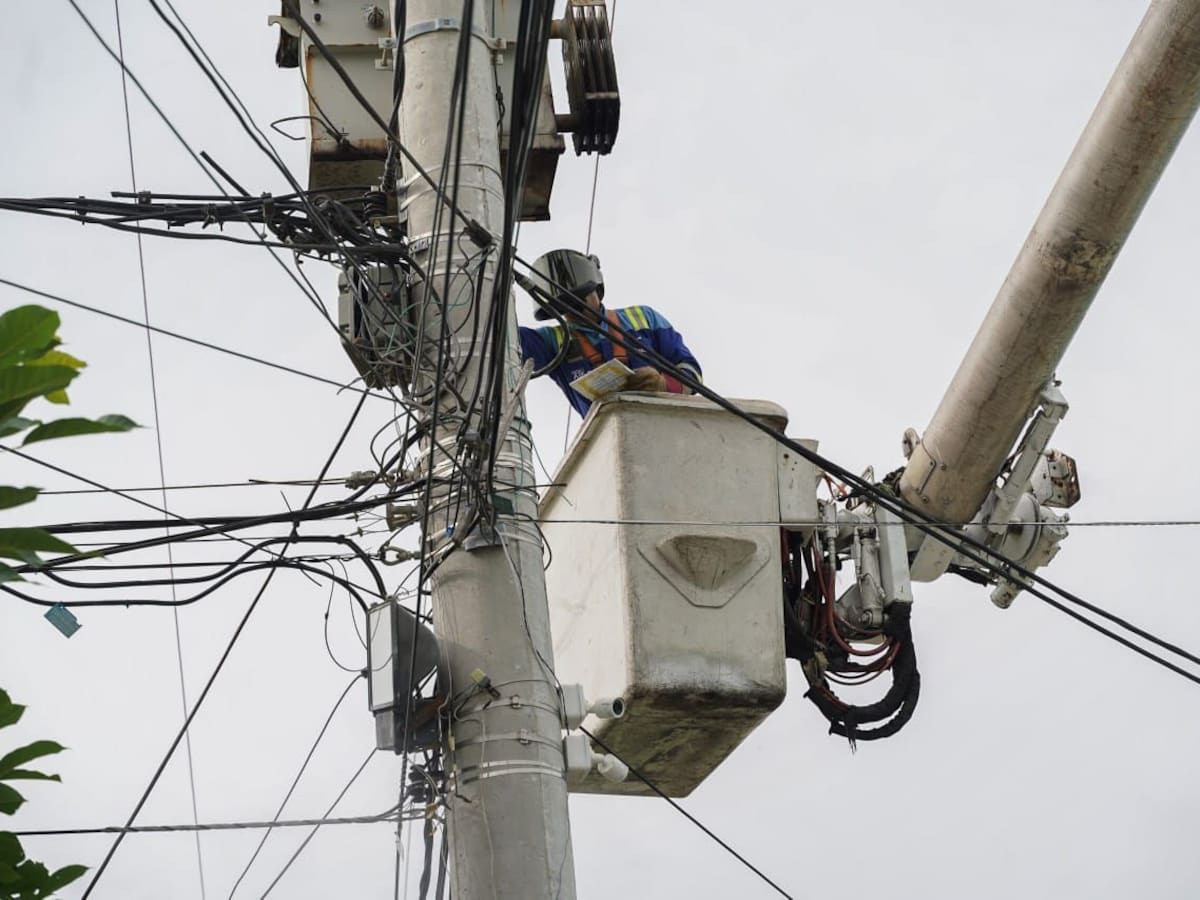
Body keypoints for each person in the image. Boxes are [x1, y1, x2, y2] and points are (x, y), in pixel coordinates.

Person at [517, 249, 703, 417]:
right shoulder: (552, 341)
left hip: (661, 422)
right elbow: (505, 337)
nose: (573, 310)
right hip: (607, 436)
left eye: (579, 300)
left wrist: (663, 384)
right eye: (564, 306)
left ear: (597, 290)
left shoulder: (644, 318)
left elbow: (692, 374)